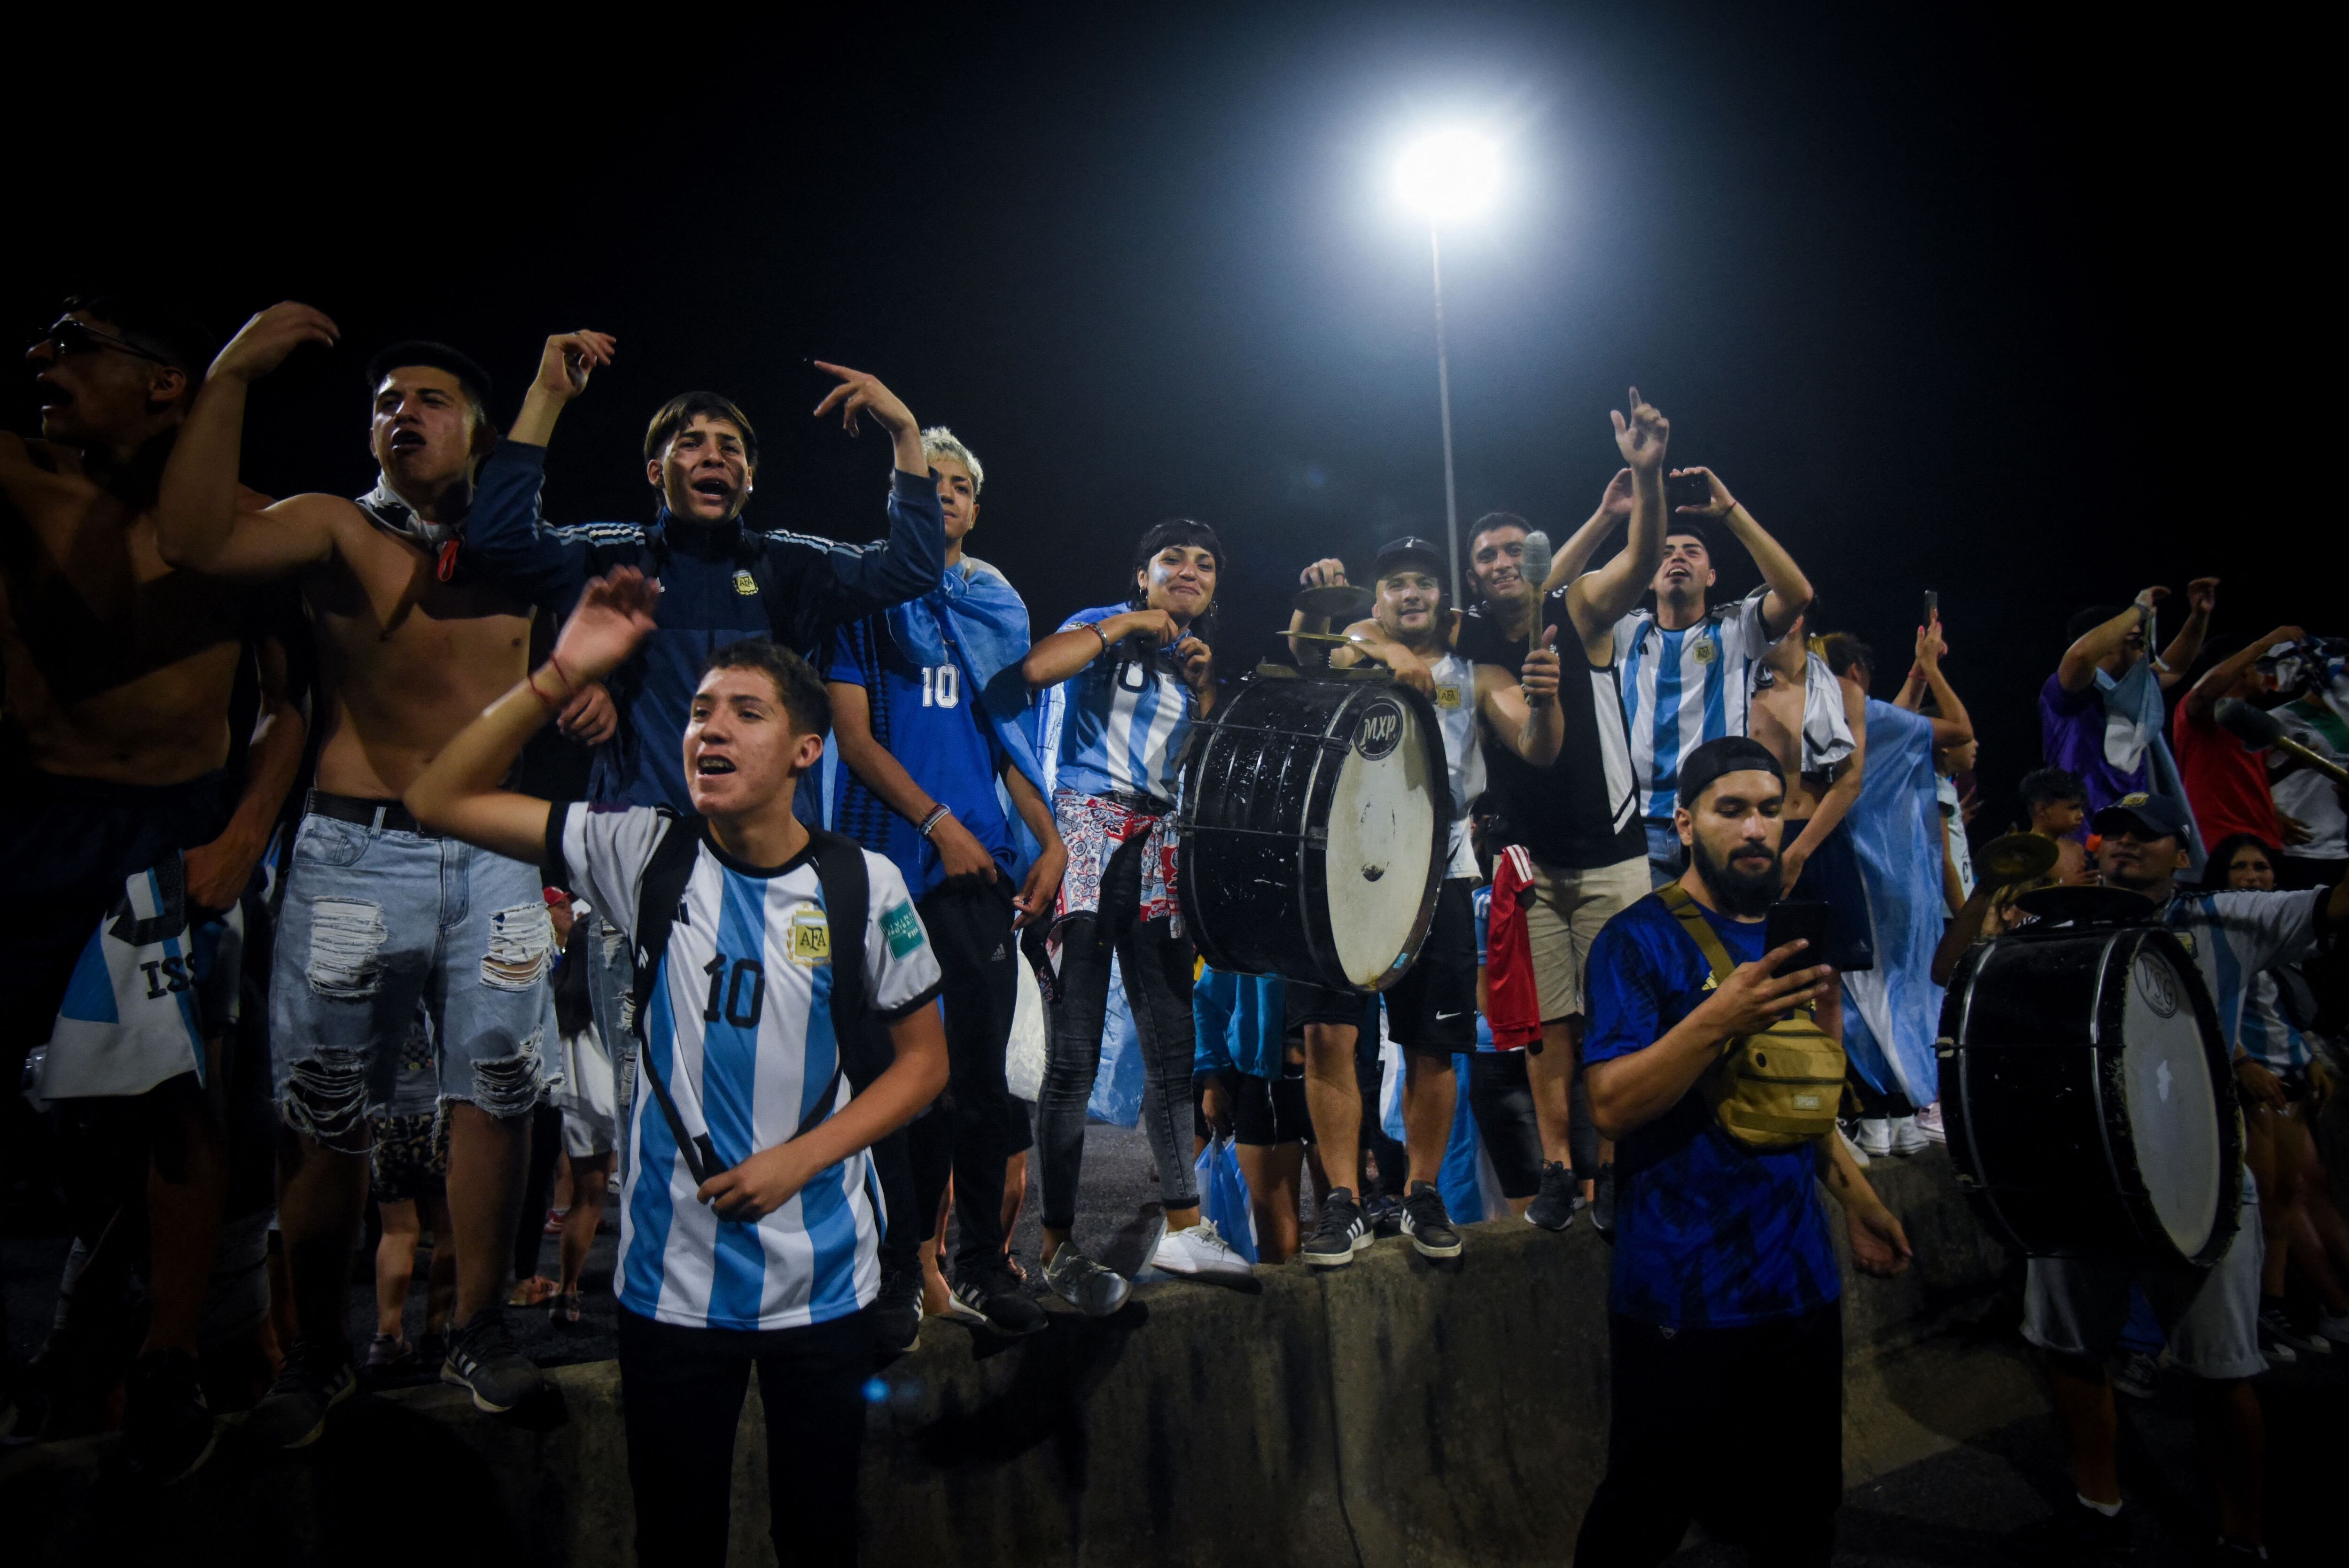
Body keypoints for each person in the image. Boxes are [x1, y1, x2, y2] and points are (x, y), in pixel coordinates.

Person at [404, 570, 948, 1568]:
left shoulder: (861, 881)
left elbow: (923, 1067)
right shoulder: (638, 848)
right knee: (676, 1538)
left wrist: (801, 1160)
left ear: (804, 751)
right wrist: (560, 672)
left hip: (824, 1284)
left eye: (746, 713)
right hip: (668, 1290)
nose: (712, 730)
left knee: (820, 1535)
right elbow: (436, 794)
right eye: (700, 711)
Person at [151, 304, 588, 1439]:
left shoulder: (529, 553)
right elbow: (193, 537)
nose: (402, 413)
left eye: (429, 400)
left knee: (499, 1090)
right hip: (354, 849)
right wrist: (233, 369)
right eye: (386, 401)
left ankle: (480, 1326)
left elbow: (603, 656)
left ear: (485, 436)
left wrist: (598, 694)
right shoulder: (339, 529)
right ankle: (323, 1352)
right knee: (326, 1106)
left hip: (498, 848)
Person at [464, 331, 945, 1351]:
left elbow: (909, 560)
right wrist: (544, 400)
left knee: (822, 1078)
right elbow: (498, 541)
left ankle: (863, 1279)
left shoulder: (791, 568)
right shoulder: (612, 559)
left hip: (776, 885)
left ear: (751, 475)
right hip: (645, 882)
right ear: (657, 470)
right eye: (690, 443)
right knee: (652, 1099)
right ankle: (662, 1308)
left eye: (730, 444)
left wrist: (901, 430)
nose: (712, 454)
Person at [2, 295, 308, 1479]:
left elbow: (291, 703)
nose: (43, 357)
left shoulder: (245, 527)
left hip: (172, 828)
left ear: (166, 381)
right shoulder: (23, 478)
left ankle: (172, 1348)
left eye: (75, 342)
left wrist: (243, 833)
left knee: (180, 1096)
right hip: (31, 813)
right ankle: (79, 1327)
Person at [1574, 737, 1913, 1567]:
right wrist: (1720, 1016)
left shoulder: (1797, 942)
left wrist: (1861, 1201)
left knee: (1801, 1517)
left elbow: (1797, 1100)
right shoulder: (1636, 941)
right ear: (1687, 823)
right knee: (1642, 1514)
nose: (1757, 827)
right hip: (1681, 1294)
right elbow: (1613, 1104)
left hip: (1800, 1285)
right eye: (1733, 810)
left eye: (1771, 808)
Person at [2008, 792, 2349, 1565]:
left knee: (2221, 1369)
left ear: (2181, 853)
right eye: (2115, 834)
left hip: (2202, 1173)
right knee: (2067, 1347)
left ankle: (2243, 1532)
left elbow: (2335, 905)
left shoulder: (2231, 919)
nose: (2125, 845)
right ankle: (2098, 1502)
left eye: (2146, 836)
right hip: (2082, 1169)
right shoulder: (2057, 921)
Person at [1411, 397, 1675, 1237]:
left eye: (1507, 549)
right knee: (1545, 1029)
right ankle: (1564, 1170)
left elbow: (1637, 563)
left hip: (1611, 857)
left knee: (1620, 1022)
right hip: (1530, 870)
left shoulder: (1580, 612)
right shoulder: (1480, 648)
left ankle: (1624, 1167)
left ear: (1528, 556)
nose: (1494, 562)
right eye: (1481, 553)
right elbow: (1533, 746)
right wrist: (1544, 703)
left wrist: (1644, 474)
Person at [824, 427, 1060, 1338]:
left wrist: (1049, 839)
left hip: (980, 871)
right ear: (903, 498)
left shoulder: (996, 600)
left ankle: (984, 1266)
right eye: (933, 482)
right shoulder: (867, 595)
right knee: (897, 1080)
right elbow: (853, 738)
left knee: (982, 1081)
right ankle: (898, 1272)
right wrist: (937, 822)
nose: (948, 496)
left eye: (962, 484)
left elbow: (1012, 739)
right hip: (891, 864)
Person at [1284, 534, 1566, 1265]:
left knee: (1432, 1043)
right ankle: (1344, 1198)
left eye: (1426, 583)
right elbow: (1317, 649)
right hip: (1343, 865)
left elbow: (1538, 747)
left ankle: (1423, 1192)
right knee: (1328, 1035)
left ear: (1447, 601)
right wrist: (1326, 613)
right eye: (1397, 583)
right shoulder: (1356, 645)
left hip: (1441, 866)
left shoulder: (1476, 674)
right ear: (1377, 599)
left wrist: (1548, 699)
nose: (1412, 593)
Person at [1019, 520, 1251, 1310]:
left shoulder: (1196, 667)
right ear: (1141, 572)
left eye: (1205, 562)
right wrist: (1124, 624)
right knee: (1074, 1057)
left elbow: (1206, 773)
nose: (1190, 570)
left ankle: (1184, 1227)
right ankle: (1055, 1246)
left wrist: (1210, 691)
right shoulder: (1101, 625)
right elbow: (1034, 669)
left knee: (1171, 1049)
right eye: (1173, 558)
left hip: (1160, 844)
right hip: (1086, 831)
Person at [1614, 462, 1815, 886]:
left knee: (1717, 948)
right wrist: (1627, 522)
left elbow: (1798, 594)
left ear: (1711, 576)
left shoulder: (1737, 628)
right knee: (1654, 950)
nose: (1678, 559)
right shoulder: (1624, 630)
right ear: (1648, 577)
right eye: (1665, 554)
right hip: (1637, 826)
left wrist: (1729, 513)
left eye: (1691, 552)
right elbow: (1549, 591)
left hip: (1717, 817)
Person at [1820, 626, 1972, 1156]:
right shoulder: (1857, 704)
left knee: (1853, 992)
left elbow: (1891, 724)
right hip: (1890, 879)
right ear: (1858, 672)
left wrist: (1913, 673)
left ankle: (1885, 1114)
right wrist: (1930, 666)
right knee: (1902, 991)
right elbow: (1958, 730)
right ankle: (1915, 1103)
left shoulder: (1812, 706)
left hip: (1838, 865)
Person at [2201, 836, 2349, 1361]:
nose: (2252, 875)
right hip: (2249, 1079)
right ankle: (2253, 1315)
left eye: (2261, 866)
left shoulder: (2273, 933)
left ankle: (2277, 1302)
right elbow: (2215, 1004)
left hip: (2284, 1070)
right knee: (2259, 1198)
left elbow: (2272, 1006)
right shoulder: (2216, 926)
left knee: (2287, 1195)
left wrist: (2302, 1054)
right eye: (2239, 867)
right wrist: (2242, 1060)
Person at [2040, 582, 2215, 833]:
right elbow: (2080, 656)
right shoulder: (2069, 690)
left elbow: (2173, 668)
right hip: (2083, 832)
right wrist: (2139, 609)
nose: (2144, 649)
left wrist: (2199, 617)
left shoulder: (2132, 691)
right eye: (2137, 640)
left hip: (2132, 828)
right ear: (2109, 642)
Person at [1193, 967, 1311, 1263]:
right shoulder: (1244, 922)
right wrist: (1211, 1079)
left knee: (1341, 1221)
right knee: (1277, 1243)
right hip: (1262, 1075)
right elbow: (1207, 997)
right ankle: (1289, 1308)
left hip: (1335, 1072)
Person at [546, 893, 616, 1327]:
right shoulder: (615, 1004)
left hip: (578, 1109)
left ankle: (567, 1292)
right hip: (622, 1108)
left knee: (586, 1202)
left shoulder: (563, 1003)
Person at [2174, 624, 2305, 851]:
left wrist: (2291, 767)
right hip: (2220, 845)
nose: (2271, 675)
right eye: (2264, 666)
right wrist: (2267, 642)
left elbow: (2244, 778)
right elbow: (2205, 692)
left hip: (2262, 842)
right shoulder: (2202, 711)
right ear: (2245, 667)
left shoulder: (2248, 719)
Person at [2261, 640, 2347, 889]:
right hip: (2292, 851)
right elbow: (2244, 780)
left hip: (2338, 851)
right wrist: (2271, 814)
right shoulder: (2279, 719)